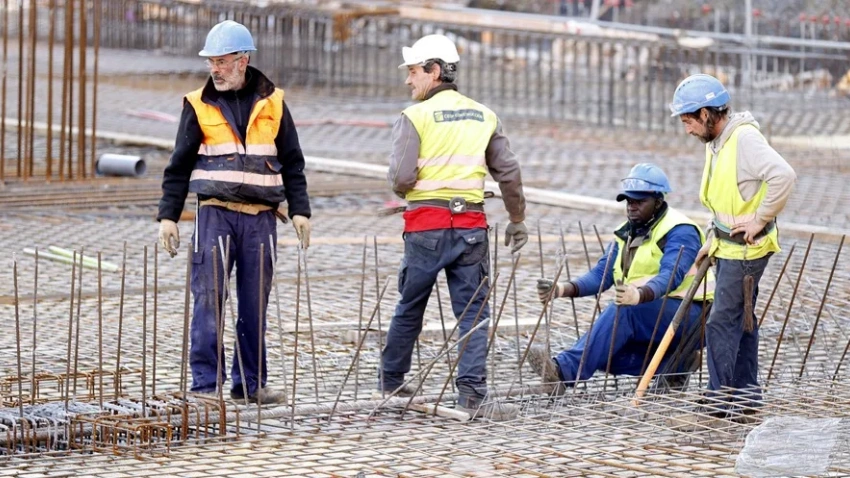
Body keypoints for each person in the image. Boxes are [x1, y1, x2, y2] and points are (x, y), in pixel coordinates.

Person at [157, 20, 311, 404]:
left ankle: (250, 384)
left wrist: (300, 210)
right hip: (215, 215)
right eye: (211, 61)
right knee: (208, 300)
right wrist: (168, 217)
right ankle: (205, 387)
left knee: (254, 302)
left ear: (243, 61)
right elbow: (178, 165)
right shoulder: (198, 104)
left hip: (260, 219)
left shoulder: (274, 104)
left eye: (222, 61)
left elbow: (293, 162)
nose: (215, 69)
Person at [381, 34, 529, 420]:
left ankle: (391, 380)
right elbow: (508, 173)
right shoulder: (485, 115)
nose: (408, 80)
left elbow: (400, 178)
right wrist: (517, 220)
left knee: (411, 305)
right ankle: (472, 396)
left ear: (434, 70)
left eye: (413, 71)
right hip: (470, 229)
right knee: (473, 314)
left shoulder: (414, 117)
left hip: (425, 228)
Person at [669, 73, 795, 417]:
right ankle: (746, 394)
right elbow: (727, 197)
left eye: (689, 121)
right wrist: (713, 237)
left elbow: (784, 176)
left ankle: (722, 396)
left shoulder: (744, 139)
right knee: (741, 319)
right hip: (727, 245)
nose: (688, 130)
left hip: (746, 250)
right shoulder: (718, 141)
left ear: (707, 113)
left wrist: (759, 219)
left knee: (722, 321)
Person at [529, 163, 713, 391]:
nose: (632, 207)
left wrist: (639, 294)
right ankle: (676, 364)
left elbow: (672, 274)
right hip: (654, 315)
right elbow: (601, 275)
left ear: (658, 201)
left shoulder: (679, 230)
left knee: (623, 310)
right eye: (629, 201)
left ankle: (563, 372)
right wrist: (562, 289)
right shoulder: (626, 232)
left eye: (639, 202)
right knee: (603, 351)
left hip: (695, 316)